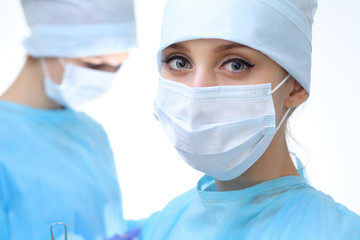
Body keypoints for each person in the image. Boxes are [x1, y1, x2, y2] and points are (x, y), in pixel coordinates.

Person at [138, 0, 360, 239]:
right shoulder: (165, 223)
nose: (197, 92)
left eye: (235, 65)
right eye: (179, 62)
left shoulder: (338, 233)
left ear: (295, 86)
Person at [0, 0, 137, 239]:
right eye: (94, 63)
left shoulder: (92, 132)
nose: (105, 77)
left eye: (117, 65)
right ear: (47, 45)